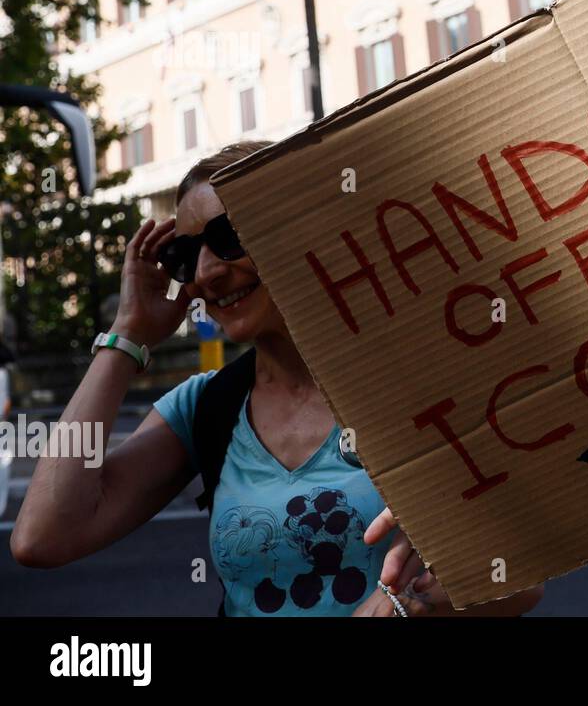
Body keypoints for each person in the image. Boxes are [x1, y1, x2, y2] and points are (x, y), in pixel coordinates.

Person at [11, 141, 540, 617]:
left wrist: (411, 605)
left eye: (228, 236)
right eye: (183, 254)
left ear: (299, 228)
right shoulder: (205, 407)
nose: (206, 271)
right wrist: (128, 336)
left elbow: (523, 577)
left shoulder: (416, 381)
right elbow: (43, 537)